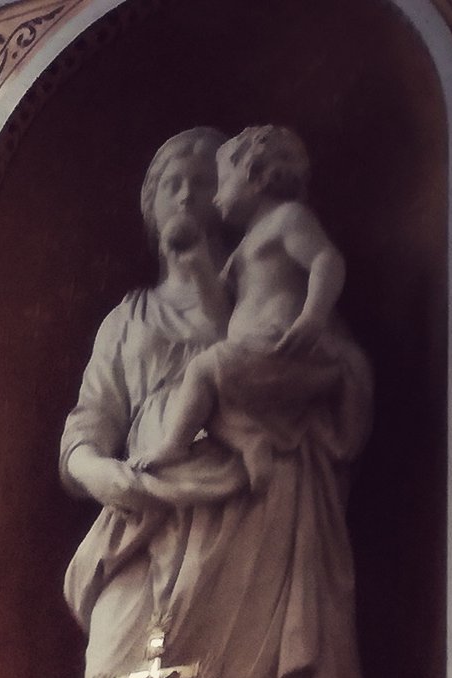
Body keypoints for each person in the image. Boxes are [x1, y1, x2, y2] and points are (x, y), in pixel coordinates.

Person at [60, 125, 372, 678]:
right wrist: (124, 479)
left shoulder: (257, 298)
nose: (193, 198)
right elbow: (82, 439)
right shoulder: (126, 320)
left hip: (252, 509)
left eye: (207, 184)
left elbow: (334, 367)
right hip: (147, 514)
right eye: (175, 185)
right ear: (151, 206)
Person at [134, 126, 348, 492]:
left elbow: (326, 260)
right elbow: (220, 310)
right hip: (251, 359)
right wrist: (199, 265)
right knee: (207, 397)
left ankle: (174, 445)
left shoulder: (288, 220)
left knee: (202, 370)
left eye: (217, 183)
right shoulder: (245, 250)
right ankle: (250, 442)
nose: (213, 197)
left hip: (280, 347)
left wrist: (312, 315)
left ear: (255, 177)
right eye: (173, 185)